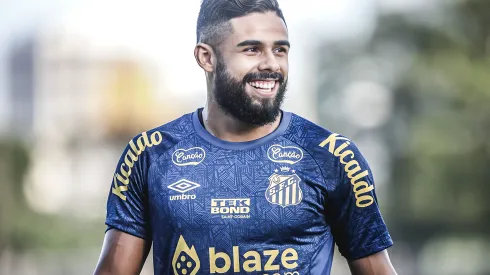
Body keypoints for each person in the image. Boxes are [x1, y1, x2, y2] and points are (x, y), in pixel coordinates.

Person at [94, 0, 397, 274]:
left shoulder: (331, 156)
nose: (271, 64)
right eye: (252, 49)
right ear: (206, 58)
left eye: (280, 49)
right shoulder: (150, 154)